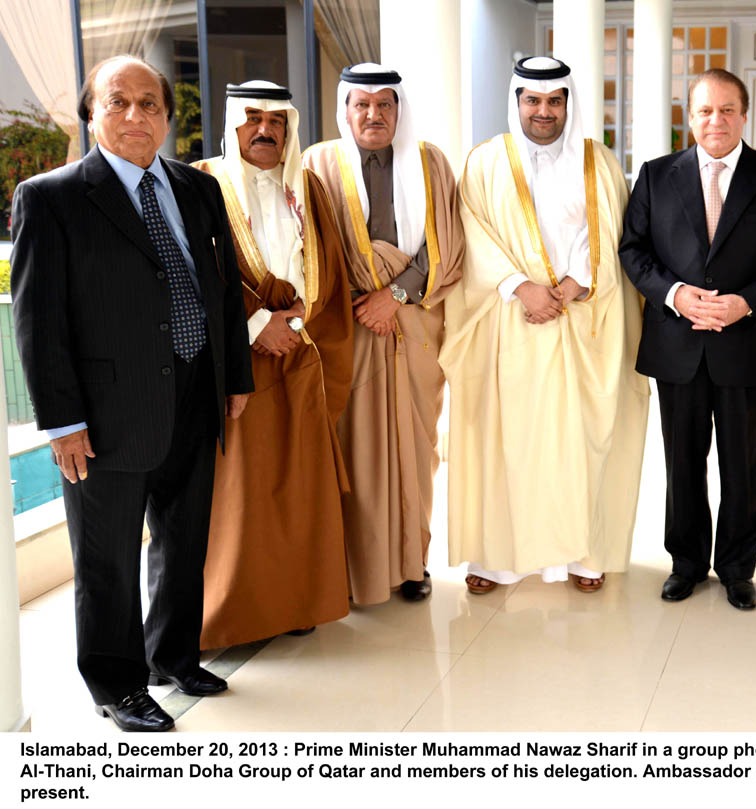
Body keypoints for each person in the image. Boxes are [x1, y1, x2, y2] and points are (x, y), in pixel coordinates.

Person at [9, 55, 254, 731]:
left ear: (167, 118)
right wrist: (62, 423)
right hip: (107, 412)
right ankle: (115, 686)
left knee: (182, 538)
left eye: (150, 104)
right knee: (107, 558)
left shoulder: (196, 188)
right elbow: (38, 322)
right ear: (92, 114)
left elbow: (224, 287)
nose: (135, 116)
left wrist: (234, 377)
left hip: (196, 393)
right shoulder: (50, 198)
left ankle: (171, 655)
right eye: (118, 103)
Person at [441, 56, 648, 594]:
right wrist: (520, 287)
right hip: (508, 320)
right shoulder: (484, 162)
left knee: (578, 440)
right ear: (517, 103)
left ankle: (580, 552)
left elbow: (610, 230)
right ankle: (496, 559)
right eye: (532, 100)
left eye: (555, 100)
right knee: (507, 439)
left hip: (581, 318)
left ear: (568, 104)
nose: (543, 111)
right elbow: (473, 232)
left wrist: (577, 282)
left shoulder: (597, 161)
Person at [619, 68, 756, 610]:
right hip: (677, 343)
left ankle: (737, 567)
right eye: (704, 110)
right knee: (682, 462)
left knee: (742, 463)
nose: (716, 120)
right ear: (690, 116)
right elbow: (633, 250)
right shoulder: (657, 176)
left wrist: (747, 301)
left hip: (745, 342)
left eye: (727, 109)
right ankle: (685, 562)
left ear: (744, 115)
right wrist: (676, 294)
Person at [194, 81, 354, 647]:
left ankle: (296, 602)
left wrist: (298, 319)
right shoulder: (202, 182)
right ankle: (234, 614)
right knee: (240, 495)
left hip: (300, 355)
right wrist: (257, 326)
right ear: (233, 123)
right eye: (252, 119)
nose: (265, 131)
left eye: (277, 121)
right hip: (235, 362)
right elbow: (194, 271)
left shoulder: (306, 186)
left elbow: (330, 264)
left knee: (299, 488)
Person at [303, 64, 463, 605]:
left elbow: (446, 244)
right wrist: (358, 305)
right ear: (346, 110)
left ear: (399, 110)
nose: (374, 115)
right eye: (362, 105)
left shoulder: (430, 161)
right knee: (354, 450)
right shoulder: (318, 163)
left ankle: (413, 562)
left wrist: (391, 297)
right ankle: (353, 571)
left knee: (416, 449)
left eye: (385, 105)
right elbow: (311, 251)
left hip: (412, 322)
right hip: (348, 329)